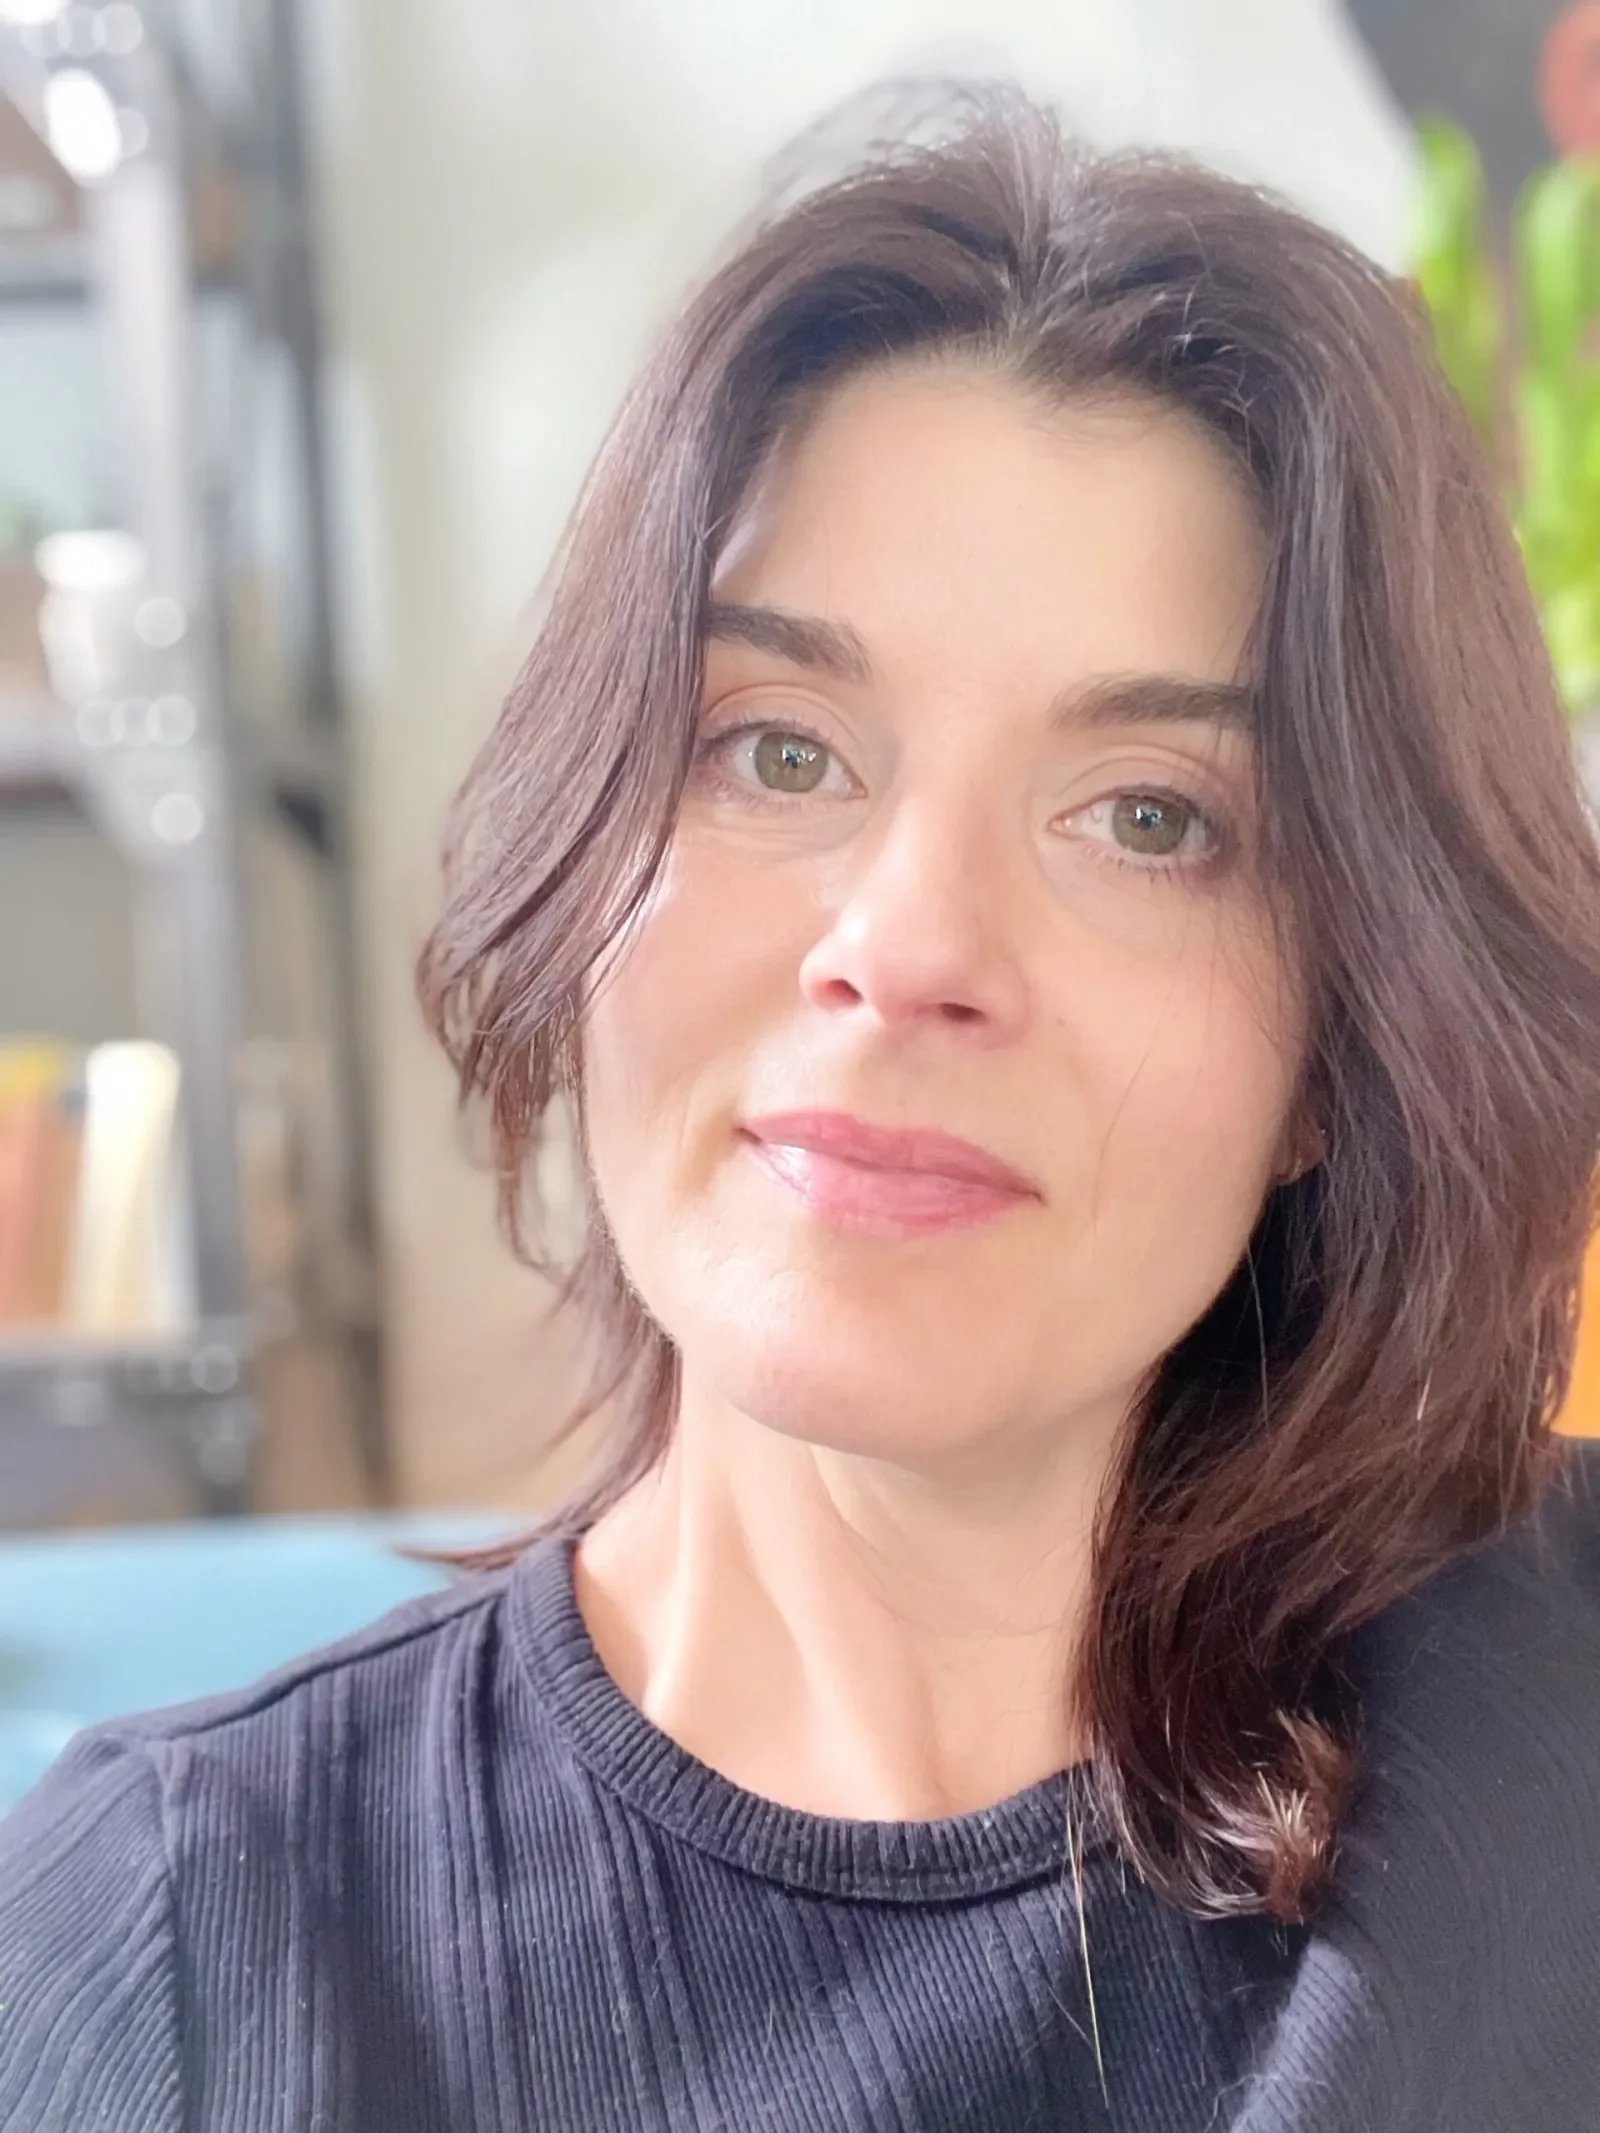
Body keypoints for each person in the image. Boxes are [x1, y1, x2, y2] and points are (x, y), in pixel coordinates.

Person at [3, 82, 1599, 2133]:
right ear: (581, 868)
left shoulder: (1547, 1739)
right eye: (777, 750)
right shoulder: (182, 1948)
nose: (908, 940)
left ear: (1336, 1042)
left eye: (1145, 817)